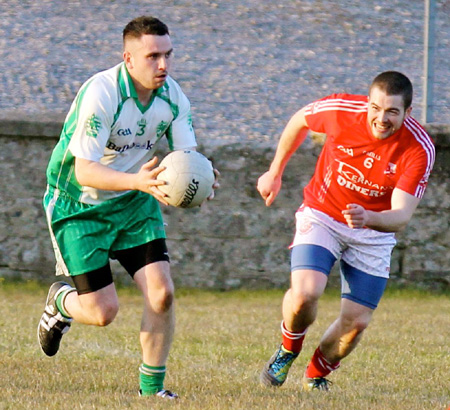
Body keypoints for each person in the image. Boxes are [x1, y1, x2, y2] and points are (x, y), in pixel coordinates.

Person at [37, 16, 219, 400]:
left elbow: (186, 156)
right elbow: (85, 170)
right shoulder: (102, 93)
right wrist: (138, 180)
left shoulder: (173, 97)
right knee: (103, 313)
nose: (164, 65)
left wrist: (201, 178)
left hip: (135, 201)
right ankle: (61, 301)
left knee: (162, 293)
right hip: (78, 204)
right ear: (129, 58)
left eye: (168, 54)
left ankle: (151, 391)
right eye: (153, 56)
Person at [257, 71, 435, 391]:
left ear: (408, 113)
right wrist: (275, 171)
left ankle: (315, 374)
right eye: (376, 108)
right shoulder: (340, 111)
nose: (381, 118)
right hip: (323, 212)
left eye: (392, 112)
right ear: (367, 103)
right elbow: (300, 120)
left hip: (373, 230)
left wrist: (367, 217)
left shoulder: (419, 149)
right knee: (305, 293)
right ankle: (288, 350)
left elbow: (400, 217)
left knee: (357, 322)